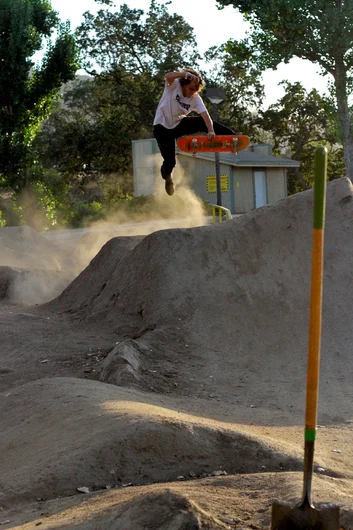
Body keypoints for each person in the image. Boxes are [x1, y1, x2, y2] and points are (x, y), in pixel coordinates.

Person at [153, 67, 236, 196]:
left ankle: (232, 137)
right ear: (184, 84)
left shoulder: (195, 98)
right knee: (170, 161)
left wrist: (211, 131)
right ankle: (168, 178)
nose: (192, 93)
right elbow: (169, 75)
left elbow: (206, 116)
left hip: (178, 124)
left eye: (195, 91)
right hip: (161, 128)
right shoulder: (173, 86)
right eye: (191, 89)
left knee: (200, 122)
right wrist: (184, 74)